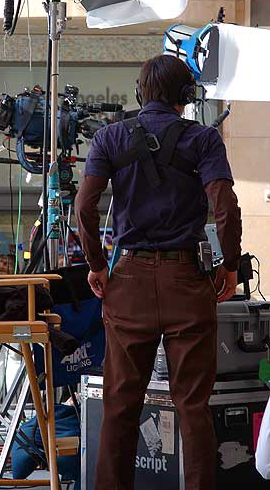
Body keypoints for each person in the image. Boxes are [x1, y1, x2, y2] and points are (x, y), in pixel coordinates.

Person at [75, 54, 242, 490]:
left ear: (139, 92)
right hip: (187, 280)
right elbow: (224, 207)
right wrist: (230, 265)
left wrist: (96, 264)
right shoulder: (204, 139)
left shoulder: (110, 137)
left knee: (120, 405)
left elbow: (84, 207)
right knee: (192, 405)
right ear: (186, 96)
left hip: (126, 281)